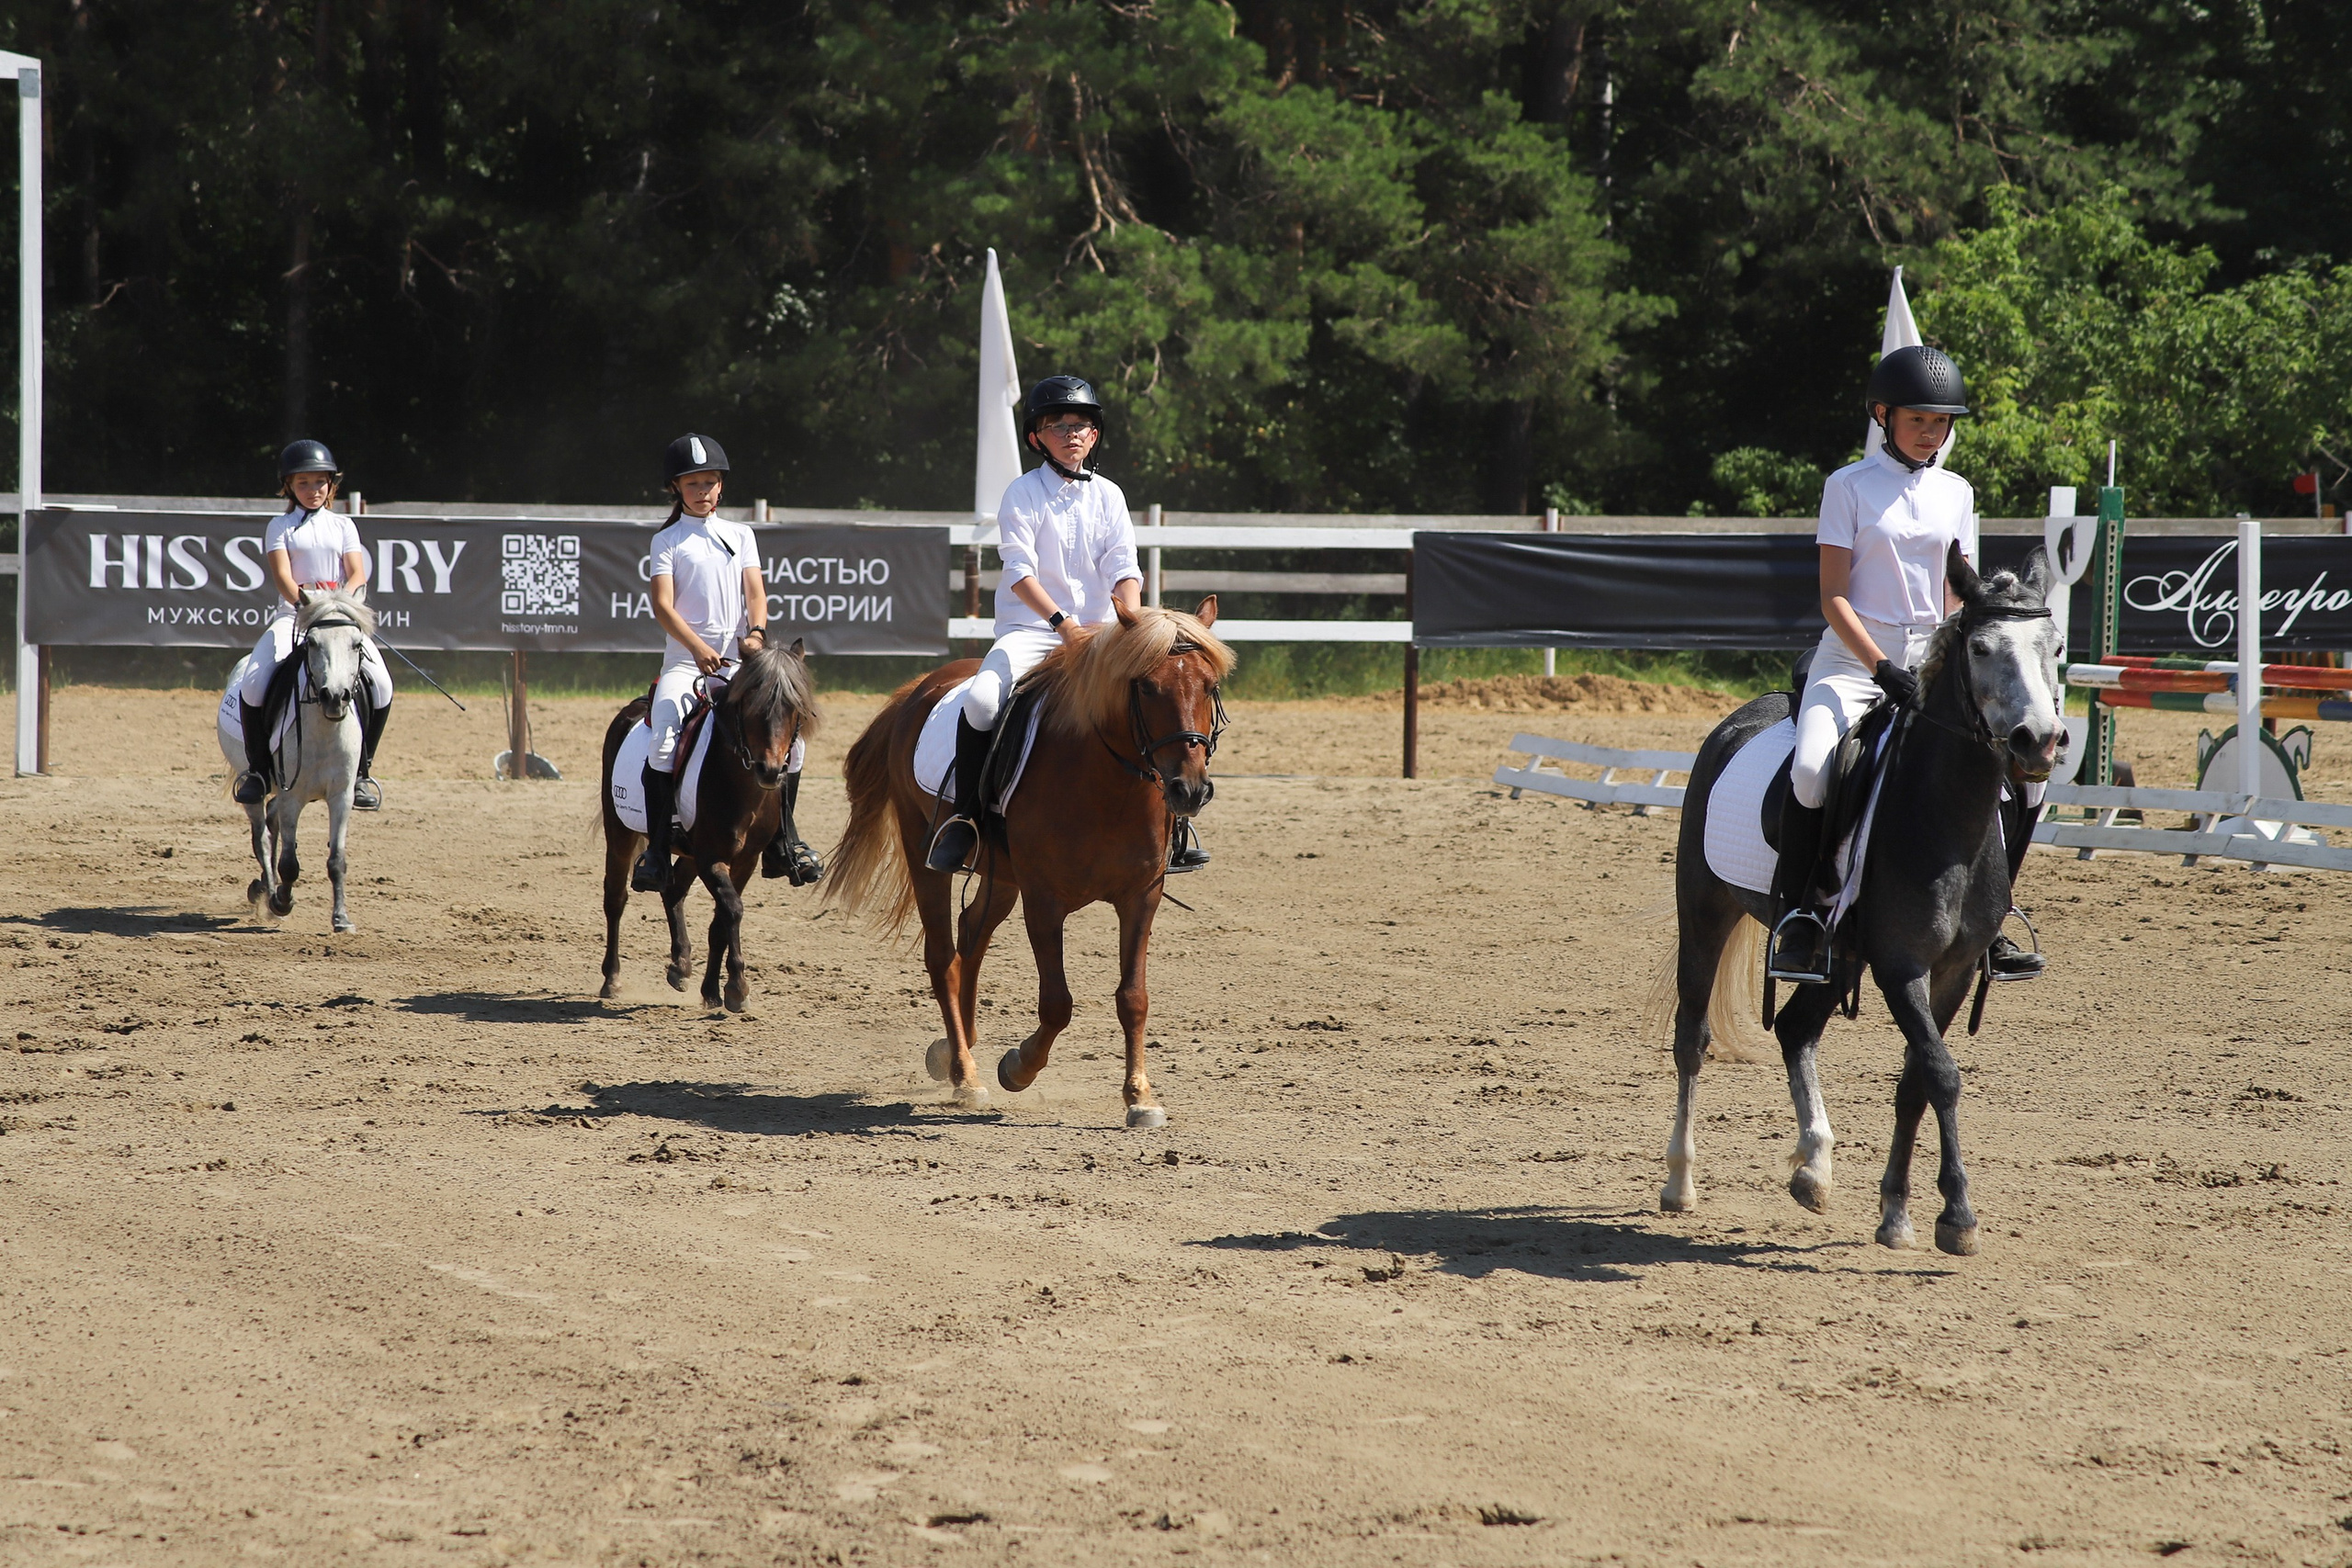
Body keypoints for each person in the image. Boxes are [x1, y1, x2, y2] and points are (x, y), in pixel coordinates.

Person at [1767, 344, 2047, 986]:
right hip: (1852, 660)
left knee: (2028, 778)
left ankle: (1992, 916)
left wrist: (1955, 652)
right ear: (1883, 416)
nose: (1931, 433)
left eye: (1941, 423)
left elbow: (1959, 588)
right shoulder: (1848, 486)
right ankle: (1803, 917)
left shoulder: (1956, 491)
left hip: (1936, 664)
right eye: (1919, 420)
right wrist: (1878, 666)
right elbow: (1834, 596)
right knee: (1812, 770)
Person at [925, 376, 1204, 875]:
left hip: (1104, 633)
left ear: (1094, 436)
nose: (1072, 433)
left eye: (1081, 425)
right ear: (1037, 436)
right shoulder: (1022, 493)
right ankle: (967, 819)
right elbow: (1019, 574)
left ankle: (1174, 822)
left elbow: (1124, 568)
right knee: (983, 700)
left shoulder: (1110, 495)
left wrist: (1132, 625)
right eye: (1059, 425)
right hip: (1032, 633)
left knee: (1159, 699)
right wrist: (1064, 626)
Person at [633, 434, 821, 893]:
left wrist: (755, 634)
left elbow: (755, 594)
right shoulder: (668, 541)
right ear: (676, 488)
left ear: (721, 486)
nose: (703, 491)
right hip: (686, 663)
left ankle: (785, 841)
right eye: (693, 483)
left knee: (790, 744)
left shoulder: (741, 535)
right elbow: (662, 606)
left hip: (741, 662)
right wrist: (697, 648)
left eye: (711, 482)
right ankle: (658, 849)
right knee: (663, 738)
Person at [233, 440, 394, 808]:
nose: (313, 490)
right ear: (289, 485)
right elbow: (284, 578)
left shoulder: (343, 525)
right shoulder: (280, 526)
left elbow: (357, 572)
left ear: (330, 485)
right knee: (255, 682)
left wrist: (340, 603)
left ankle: (361, 774)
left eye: (319, 482)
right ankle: (258, 772)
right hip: (295, 615)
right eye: (303, 483)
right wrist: (308, 605)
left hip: (338, 620)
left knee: (382, 684)